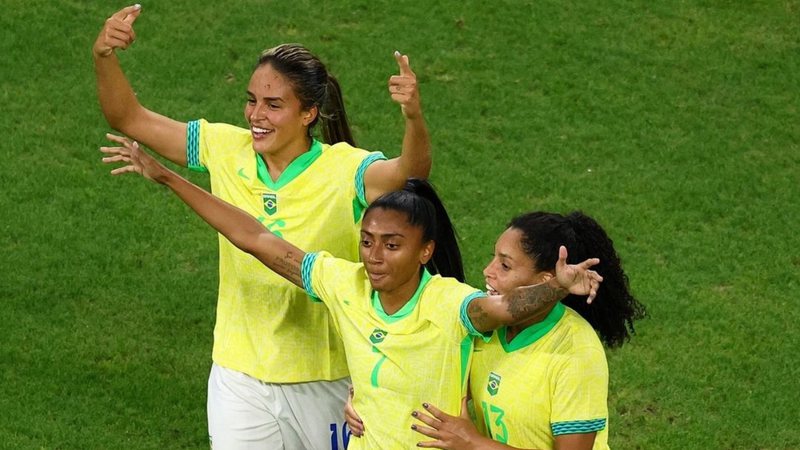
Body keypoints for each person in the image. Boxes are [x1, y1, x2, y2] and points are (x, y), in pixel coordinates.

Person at [100, 135, 604, 449]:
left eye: (392, 245)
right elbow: (256, 238)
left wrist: (554, 289)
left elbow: (505, 307)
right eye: (366, 242)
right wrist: (168, 177)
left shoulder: (448, 303)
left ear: (425, 251)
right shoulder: (343, 284)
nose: (374, 256)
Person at [93, 5, 432, 449]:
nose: (256, 115)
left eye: (274, 105)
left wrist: (412, 117)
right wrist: (104, 55)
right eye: (252, 100)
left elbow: (412, 174)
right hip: (239, 375)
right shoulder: (221, 146)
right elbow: (129, 119)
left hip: (326, 377)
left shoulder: (346, 168)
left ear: (309, 112)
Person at [380, 212, 646, 450]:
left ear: (545, 282)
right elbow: (427, 381)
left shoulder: (576, 352)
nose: (487, 271)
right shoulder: (486, 326)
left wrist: (474, 444)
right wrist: (365, 401)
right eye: (493, 258)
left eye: (505, 265)